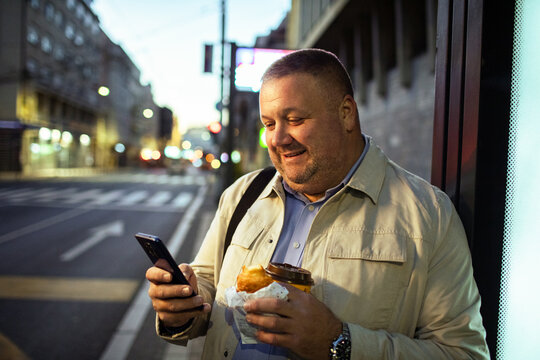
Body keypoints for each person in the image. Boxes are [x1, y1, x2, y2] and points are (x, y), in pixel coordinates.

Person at [145, 49, 490, 359]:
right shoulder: (243, 194)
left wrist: (339, 342)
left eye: (295, 120)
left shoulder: (427, 214)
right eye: (269, 124)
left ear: (345, 114)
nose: (278, 138)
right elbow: (207, 282)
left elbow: (463, 352)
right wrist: (184, 305)